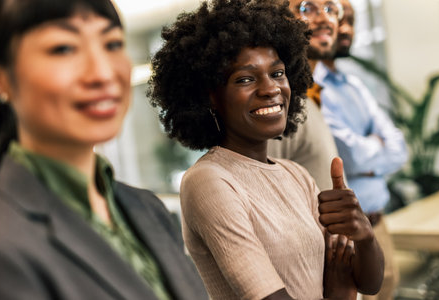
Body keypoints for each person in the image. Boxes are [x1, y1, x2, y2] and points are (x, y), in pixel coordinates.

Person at [148, 0, 384, 299]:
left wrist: (362, 234)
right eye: (245, 79)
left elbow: (368, 282)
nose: (270, 88)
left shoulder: (295, 174)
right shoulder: (209, 180)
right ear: (209, 97)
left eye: (277, 73)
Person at [0, 1, 208, 299]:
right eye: (64, 48)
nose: (102, 73)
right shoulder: (3, 239)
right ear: (1, 77)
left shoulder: (146, 208)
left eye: (112, 44)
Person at [315, 0, 408, 299]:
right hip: (346, 239)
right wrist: (373, 145)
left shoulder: (353, 85)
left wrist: (370, 150)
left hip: (378, 225)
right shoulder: (311, 90)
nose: (342, 27)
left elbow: (398, 149)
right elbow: (349, 156)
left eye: (347, 19)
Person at [267, 0, 343, 191]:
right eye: (307, 8)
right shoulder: (275, 102)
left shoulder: (309, 95)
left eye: (330, 8)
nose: (325, 18)